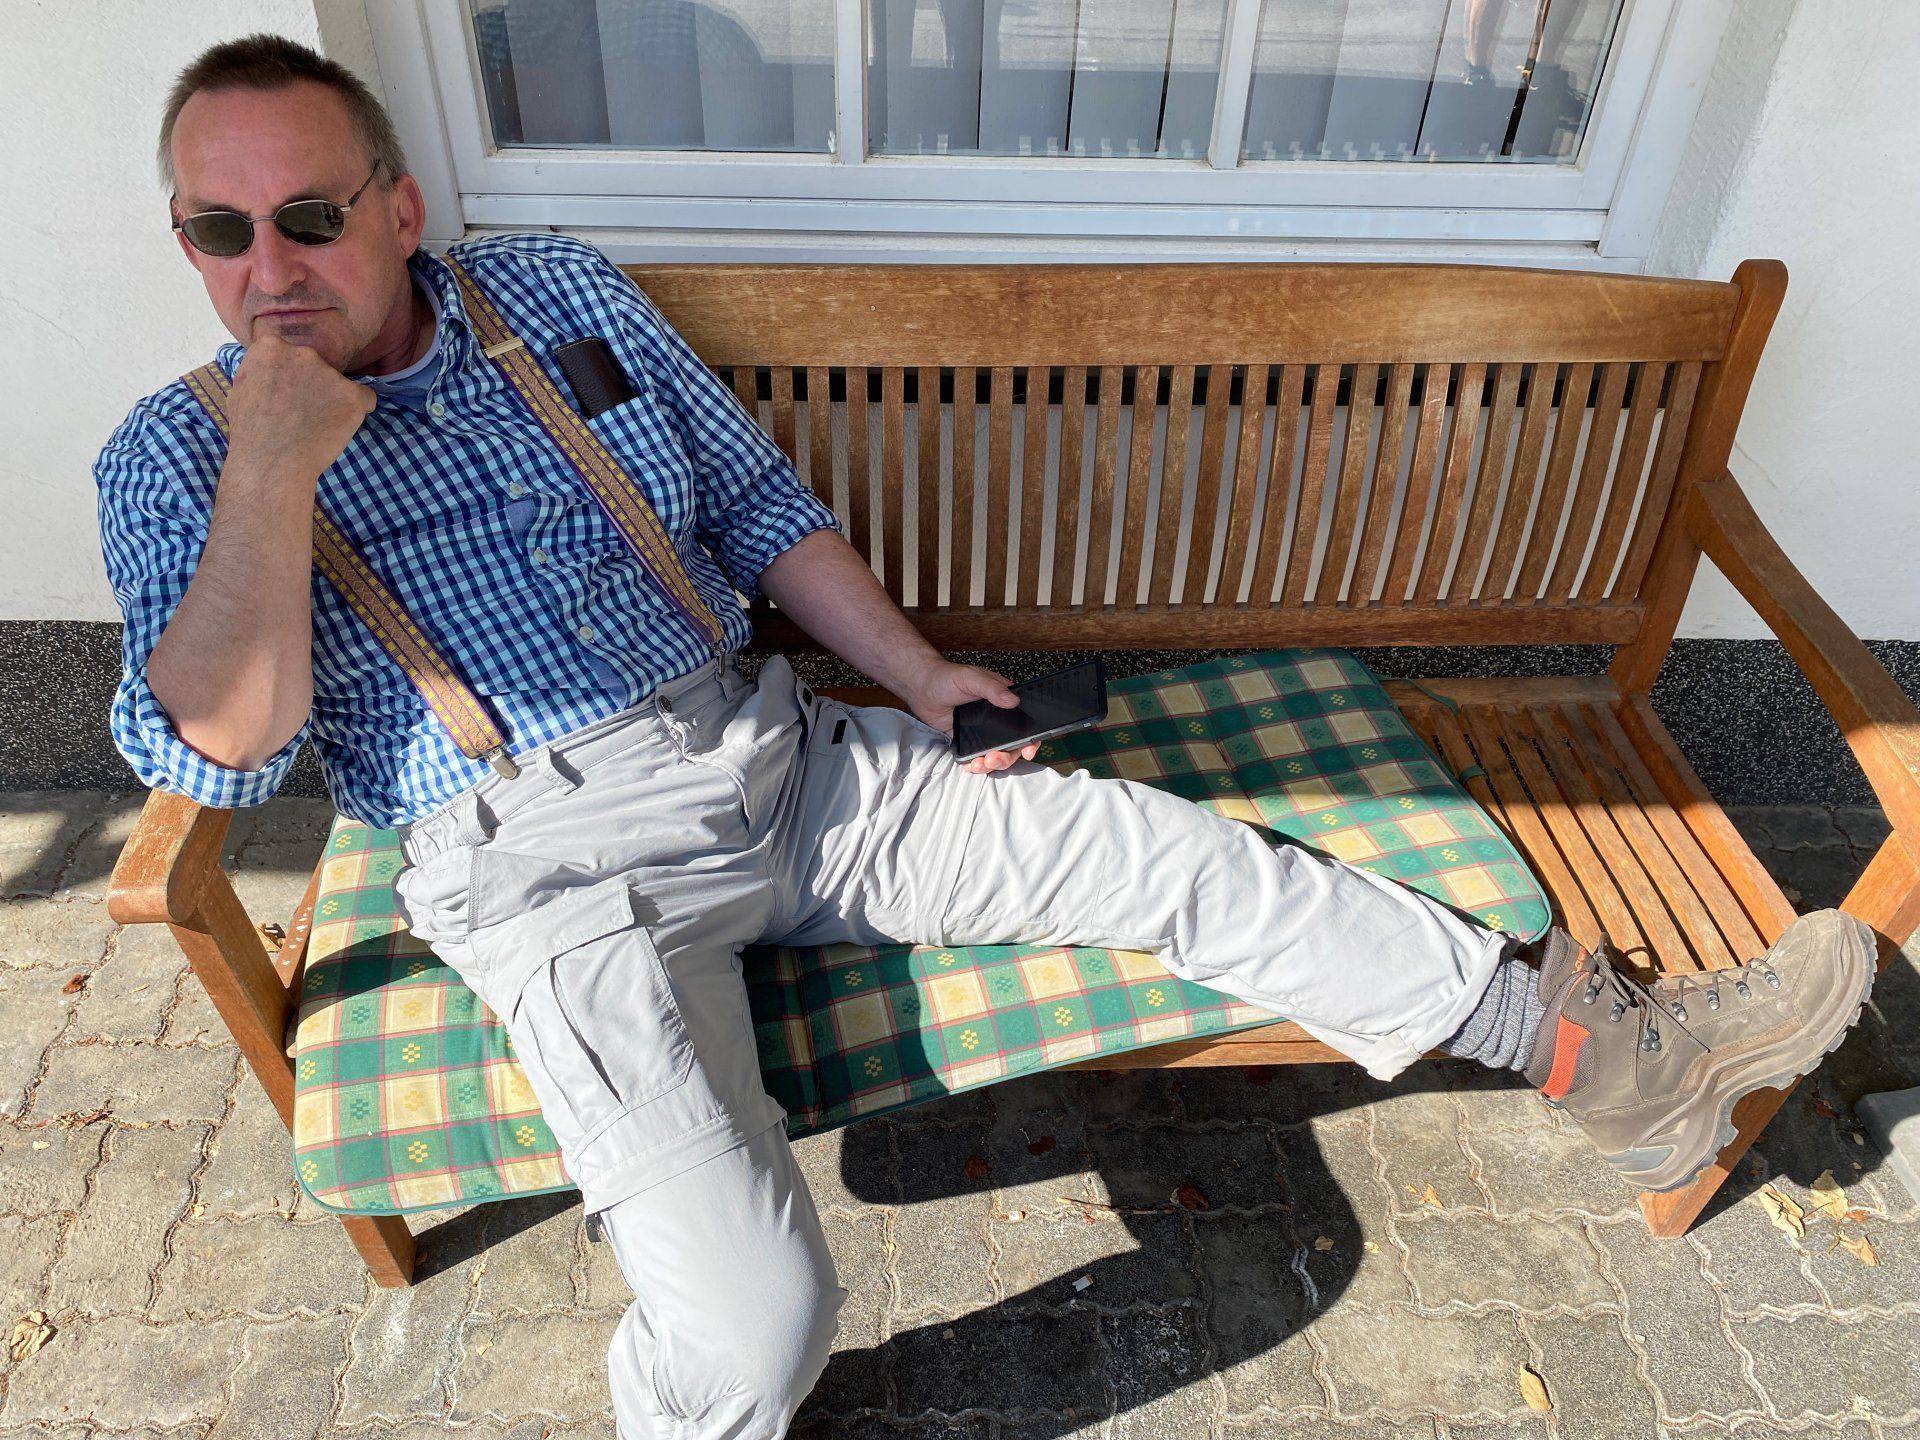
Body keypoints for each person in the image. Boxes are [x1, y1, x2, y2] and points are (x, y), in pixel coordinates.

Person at [96, 34, 1876, 1440]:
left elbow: (754, 509)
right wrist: (275, 466)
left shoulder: (553, 295)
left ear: (401, 207)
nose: (269, 269)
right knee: (763, 1323)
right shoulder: (175, 459)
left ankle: (1618, 1067)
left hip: (782, 761)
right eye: (217, 232)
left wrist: (923, 674)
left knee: (1180, 859)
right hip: (547, 874)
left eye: (308, 217)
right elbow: (223, 756)